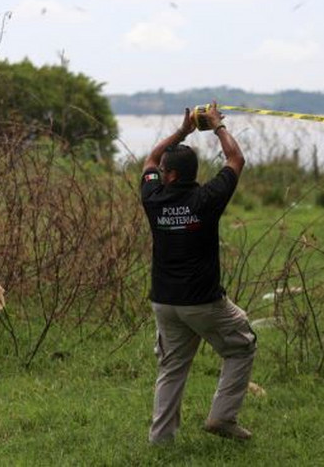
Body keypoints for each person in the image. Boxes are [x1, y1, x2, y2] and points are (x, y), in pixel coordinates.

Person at [140, 101, 256, 444]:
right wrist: (218, 126)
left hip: (164, 302)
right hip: (203, 302)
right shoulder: (206, 198)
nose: (159, 170)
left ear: (171, 175)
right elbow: (235, 160)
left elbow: (149, 159)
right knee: (242, 346)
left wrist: (183, 131)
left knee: (172, 367)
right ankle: (222, 418)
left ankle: (160, 440)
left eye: (164, 169)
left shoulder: (153, 198)